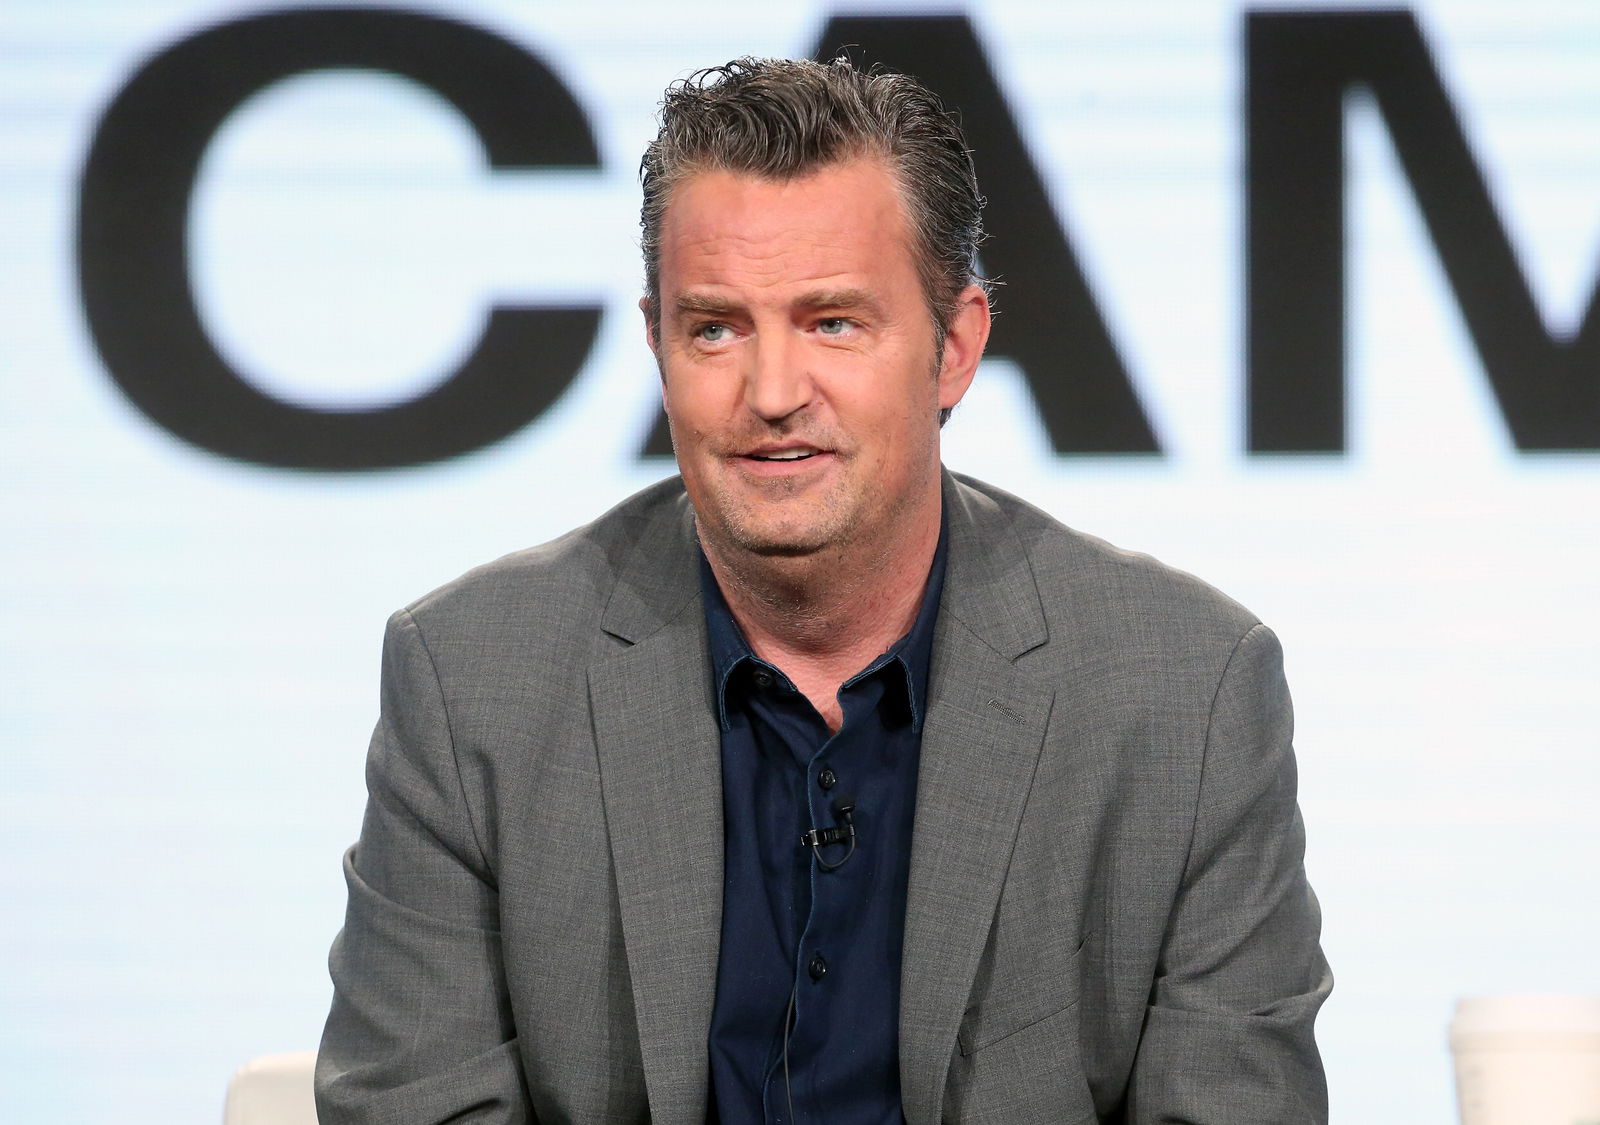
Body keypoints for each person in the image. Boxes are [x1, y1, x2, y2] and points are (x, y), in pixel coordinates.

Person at [316, 56, 1331, 1124]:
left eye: (833, 323)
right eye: (716, 327)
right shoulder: (473, 680)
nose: (771, 394)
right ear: (657, 343)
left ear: (954, 348)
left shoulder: (1187, 692)